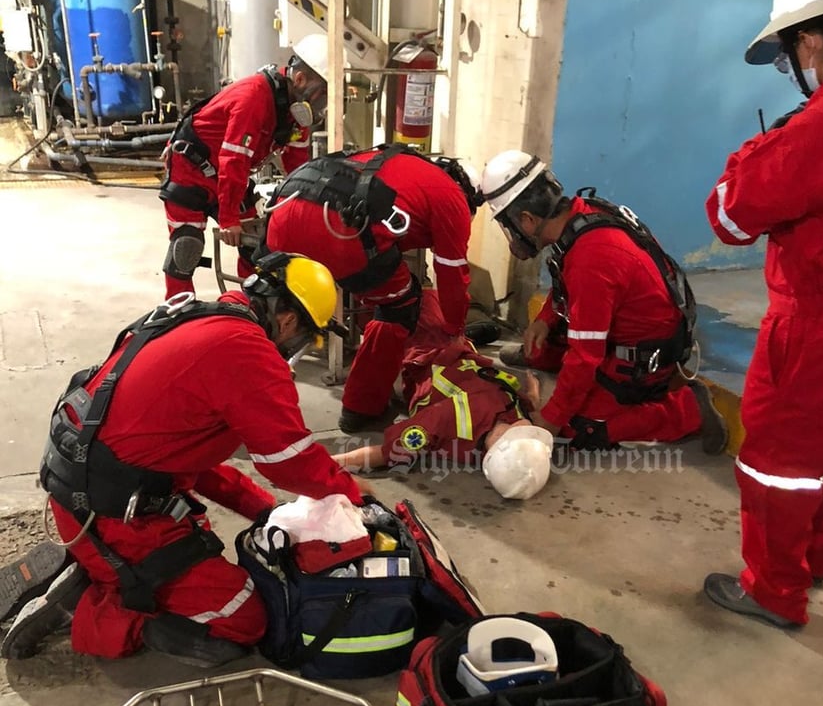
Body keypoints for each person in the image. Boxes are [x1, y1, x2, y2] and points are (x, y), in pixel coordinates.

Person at [0, 253, 366, 666]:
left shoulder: (194, 316)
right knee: (243, 619)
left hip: (91, 487)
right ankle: (88, 605)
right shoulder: (248, 352)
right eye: (304, 339)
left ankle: (100, 567)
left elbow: (187, 457)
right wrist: (350, 493)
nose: (297, 350)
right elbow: (289, 462)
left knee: (199, 534)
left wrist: (264, 509)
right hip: (113, 516)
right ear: (287, 321)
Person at [703, 0, 823, 629]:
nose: (795, 71)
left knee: (777, 460)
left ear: (812, 37)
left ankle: (774, 590)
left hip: (818, 324)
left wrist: (760, 149)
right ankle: (813, 558)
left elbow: (728, 214)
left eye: (792, 56)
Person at [479, 151, 727, 454]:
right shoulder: (582, 214)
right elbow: (566, 281)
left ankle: (688, 408)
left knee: (579, 431)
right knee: (542, 347)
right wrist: (546, 318)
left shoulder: (592, 258)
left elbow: (585, 356)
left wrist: (550, 421)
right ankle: (553, 360)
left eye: (509, 225)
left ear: (527, 220)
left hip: (643, 352)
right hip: (622, 327)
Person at [264, 144, 482, 433]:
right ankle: (361, 407)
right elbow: (453, 276)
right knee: (399, 304)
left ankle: (234, 390)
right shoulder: (452, 197)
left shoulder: (399, 164)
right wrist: (455, 329)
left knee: (273, 308)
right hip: (334, 233)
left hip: (283, 215)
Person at [332, 290, 553, 499]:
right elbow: (529, 409)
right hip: (461, 350)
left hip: (427, 351)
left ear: (496, 445)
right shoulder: (513, 423)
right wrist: (533, 390)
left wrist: (330, 465)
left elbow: (387, 451)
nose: (528, 427)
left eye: (523, 433)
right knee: (436, 305)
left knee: (407, 301)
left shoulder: (449, 419)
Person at [158, 34, 330, 298]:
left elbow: (297, 166)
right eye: (323, 93)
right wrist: (228, 218)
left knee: (256, 244)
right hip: (190, 170)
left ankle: (251, 304)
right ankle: (177, 314)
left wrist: (305, 205)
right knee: (186, 247)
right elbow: (234, 159)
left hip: (229, 176)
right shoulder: (255, 98)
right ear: (300, 80)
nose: (322, 102)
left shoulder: (294, 111)